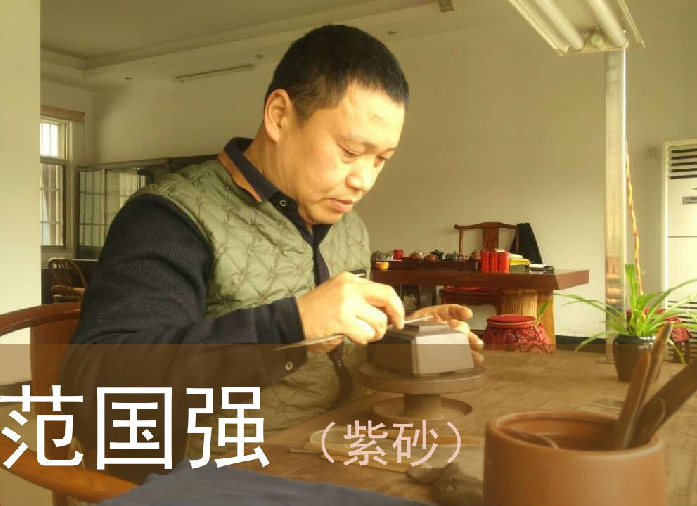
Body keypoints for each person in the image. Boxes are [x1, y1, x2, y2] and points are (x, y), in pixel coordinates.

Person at [61, 24, 482, 479]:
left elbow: (334, 351)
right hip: (228, 477)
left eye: (380, 159)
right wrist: (292, 324)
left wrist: (403, 334)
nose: (364, 180)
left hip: (348, 451)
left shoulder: (348, 225)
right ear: (279, 115)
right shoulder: (170, 219)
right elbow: (96, 393)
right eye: (348, 151)